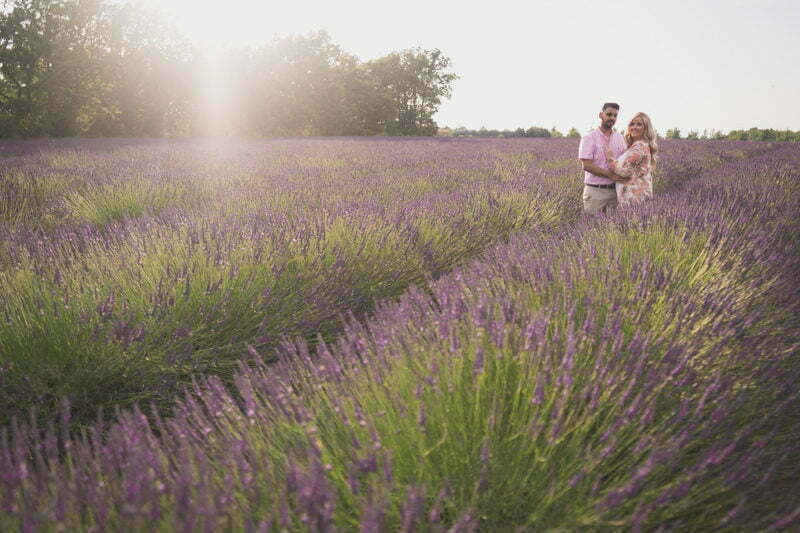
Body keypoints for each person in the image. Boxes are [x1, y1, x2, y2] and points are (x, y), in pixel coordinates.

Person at [578, 103, 627, 214]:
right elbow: (586, 165)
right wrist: (610, 175)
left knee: (612, 229)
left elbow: (624, 162)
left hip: (615, 191)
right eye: (609, 114)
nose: (612, 118)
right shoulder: (589, 138)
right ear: (601, 115)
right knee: (591, 228)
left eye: (615, 115)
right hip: (595, 192)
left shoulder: (620, 138)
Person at [603, 112, 658, 205]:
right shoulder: (639, 145)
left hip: (634, 197)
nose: (634, 127)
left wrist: (610, 158)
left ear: (646, 128)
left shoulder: (639, 146)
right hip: (638, 195)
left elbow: (625, 171)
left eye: (639, 124)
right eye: (632, 124)